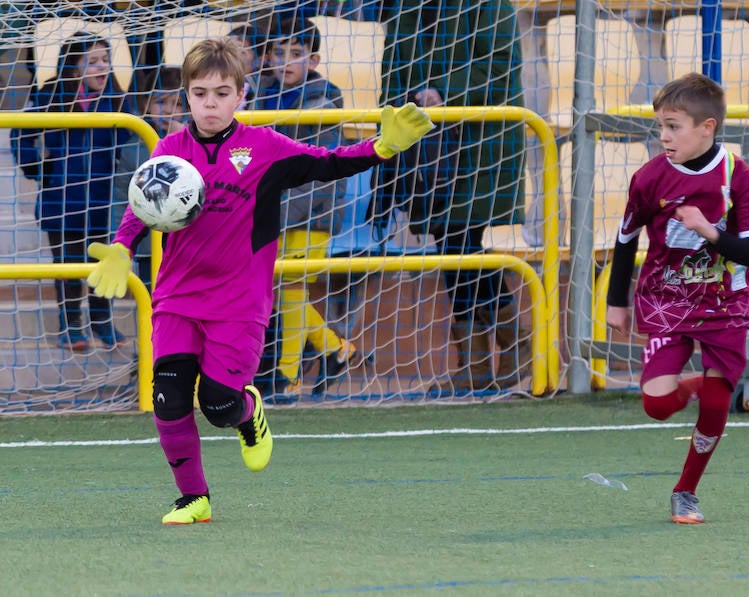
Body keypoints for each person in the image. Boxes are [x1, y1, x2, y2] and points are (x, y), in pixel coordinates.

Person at [86, 37, 433, 525]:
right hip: (177, 298)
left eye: (222, 92)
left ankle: (248, 412)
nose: (211, 103)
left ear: (241, 96)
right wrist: (123, 247)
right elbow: (140, 206)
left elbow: (325, 162)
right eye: (201, 92)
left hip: (237, 302)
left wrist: (380, 148)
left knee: (218, 404)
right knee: (167, 397)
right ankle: (193, 498)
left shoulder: (264, 148)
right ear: (187, 95)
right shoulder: (169, 151)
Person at [605, 73, 749, 524]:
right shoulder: (648, 178)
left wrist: (709, 231)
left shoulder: (735, 176)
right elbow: (625, 240)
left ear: (708, 127)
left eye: (673, 126)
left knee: (718, 406)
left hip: (724, 305)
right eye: (660, 126)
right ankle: (714, 383)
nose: (663, 136)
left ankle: (685, 491)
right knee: (658, 405)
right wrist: (615, 301)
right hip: (667, 301)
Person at [377, 0, 531, 393]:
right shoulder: (406, 10)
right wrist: (400, 110)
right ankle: (486, 359)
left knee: (463, 243)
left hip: (480, 149)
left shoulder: (491, 6)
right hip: (424, 152)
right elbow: (392, 73)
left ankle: (506, 353)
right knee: (452, 245)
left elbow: (499, 70)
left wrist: (442, 92)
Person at [11, 31, 135, 351]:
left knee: (105, 265)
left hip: (105, 201)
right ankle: (70, 327)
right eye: (91, 61)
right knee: (68, 265)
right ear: (73, 66)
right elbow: (20, 134)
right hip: (61, 200)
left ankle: (102, 323)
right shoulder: (49, 96)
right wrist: (37, 169)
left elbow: (133, 141)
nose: (101, 68)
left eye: (105, 60)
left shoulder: (118, 99)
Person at [255, 16, 357, 399]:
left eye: (295, 54)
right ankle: (335, 347)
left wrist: (279, 214)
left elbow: (319, 171)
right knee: (282, 290)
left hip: (313, 210)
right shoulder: (261, 94)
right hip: (275, 208)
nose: (285, 61)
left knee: (293, 288)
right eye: (278, 52)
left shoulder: (322, 100)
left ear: (312, 60)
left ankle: (287, 378)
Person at [114, 65, 188, 286]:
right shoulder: (133, 148)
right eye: (161, 102)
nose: (168, 110)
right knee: (152, 302)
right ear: (146, 103)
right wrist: (121, 243)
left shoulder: (196, 144)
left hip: (190, 245)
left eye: (177, 104)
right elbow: (121, 196)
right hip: (148, 247)